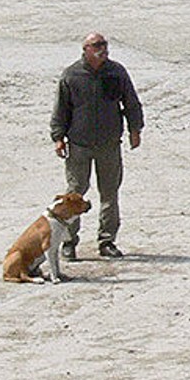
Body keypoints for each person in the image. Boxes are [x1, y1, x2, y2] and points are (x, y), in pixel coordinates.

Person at [50, 32, 143, 258]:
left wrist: (135, 129)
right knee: (74, 194)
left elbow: (131, 101)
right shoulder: (71, 75)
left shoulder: (116, 72)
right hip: (79, 145)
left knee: (110, 193)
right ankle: (69, 242)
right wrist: (58, 137)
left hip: (109, 144)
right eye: (97, 45)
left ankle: (107, 241)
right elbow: (61, 109)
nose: (103, 48)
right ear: (86, 49)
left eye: (104, 44)